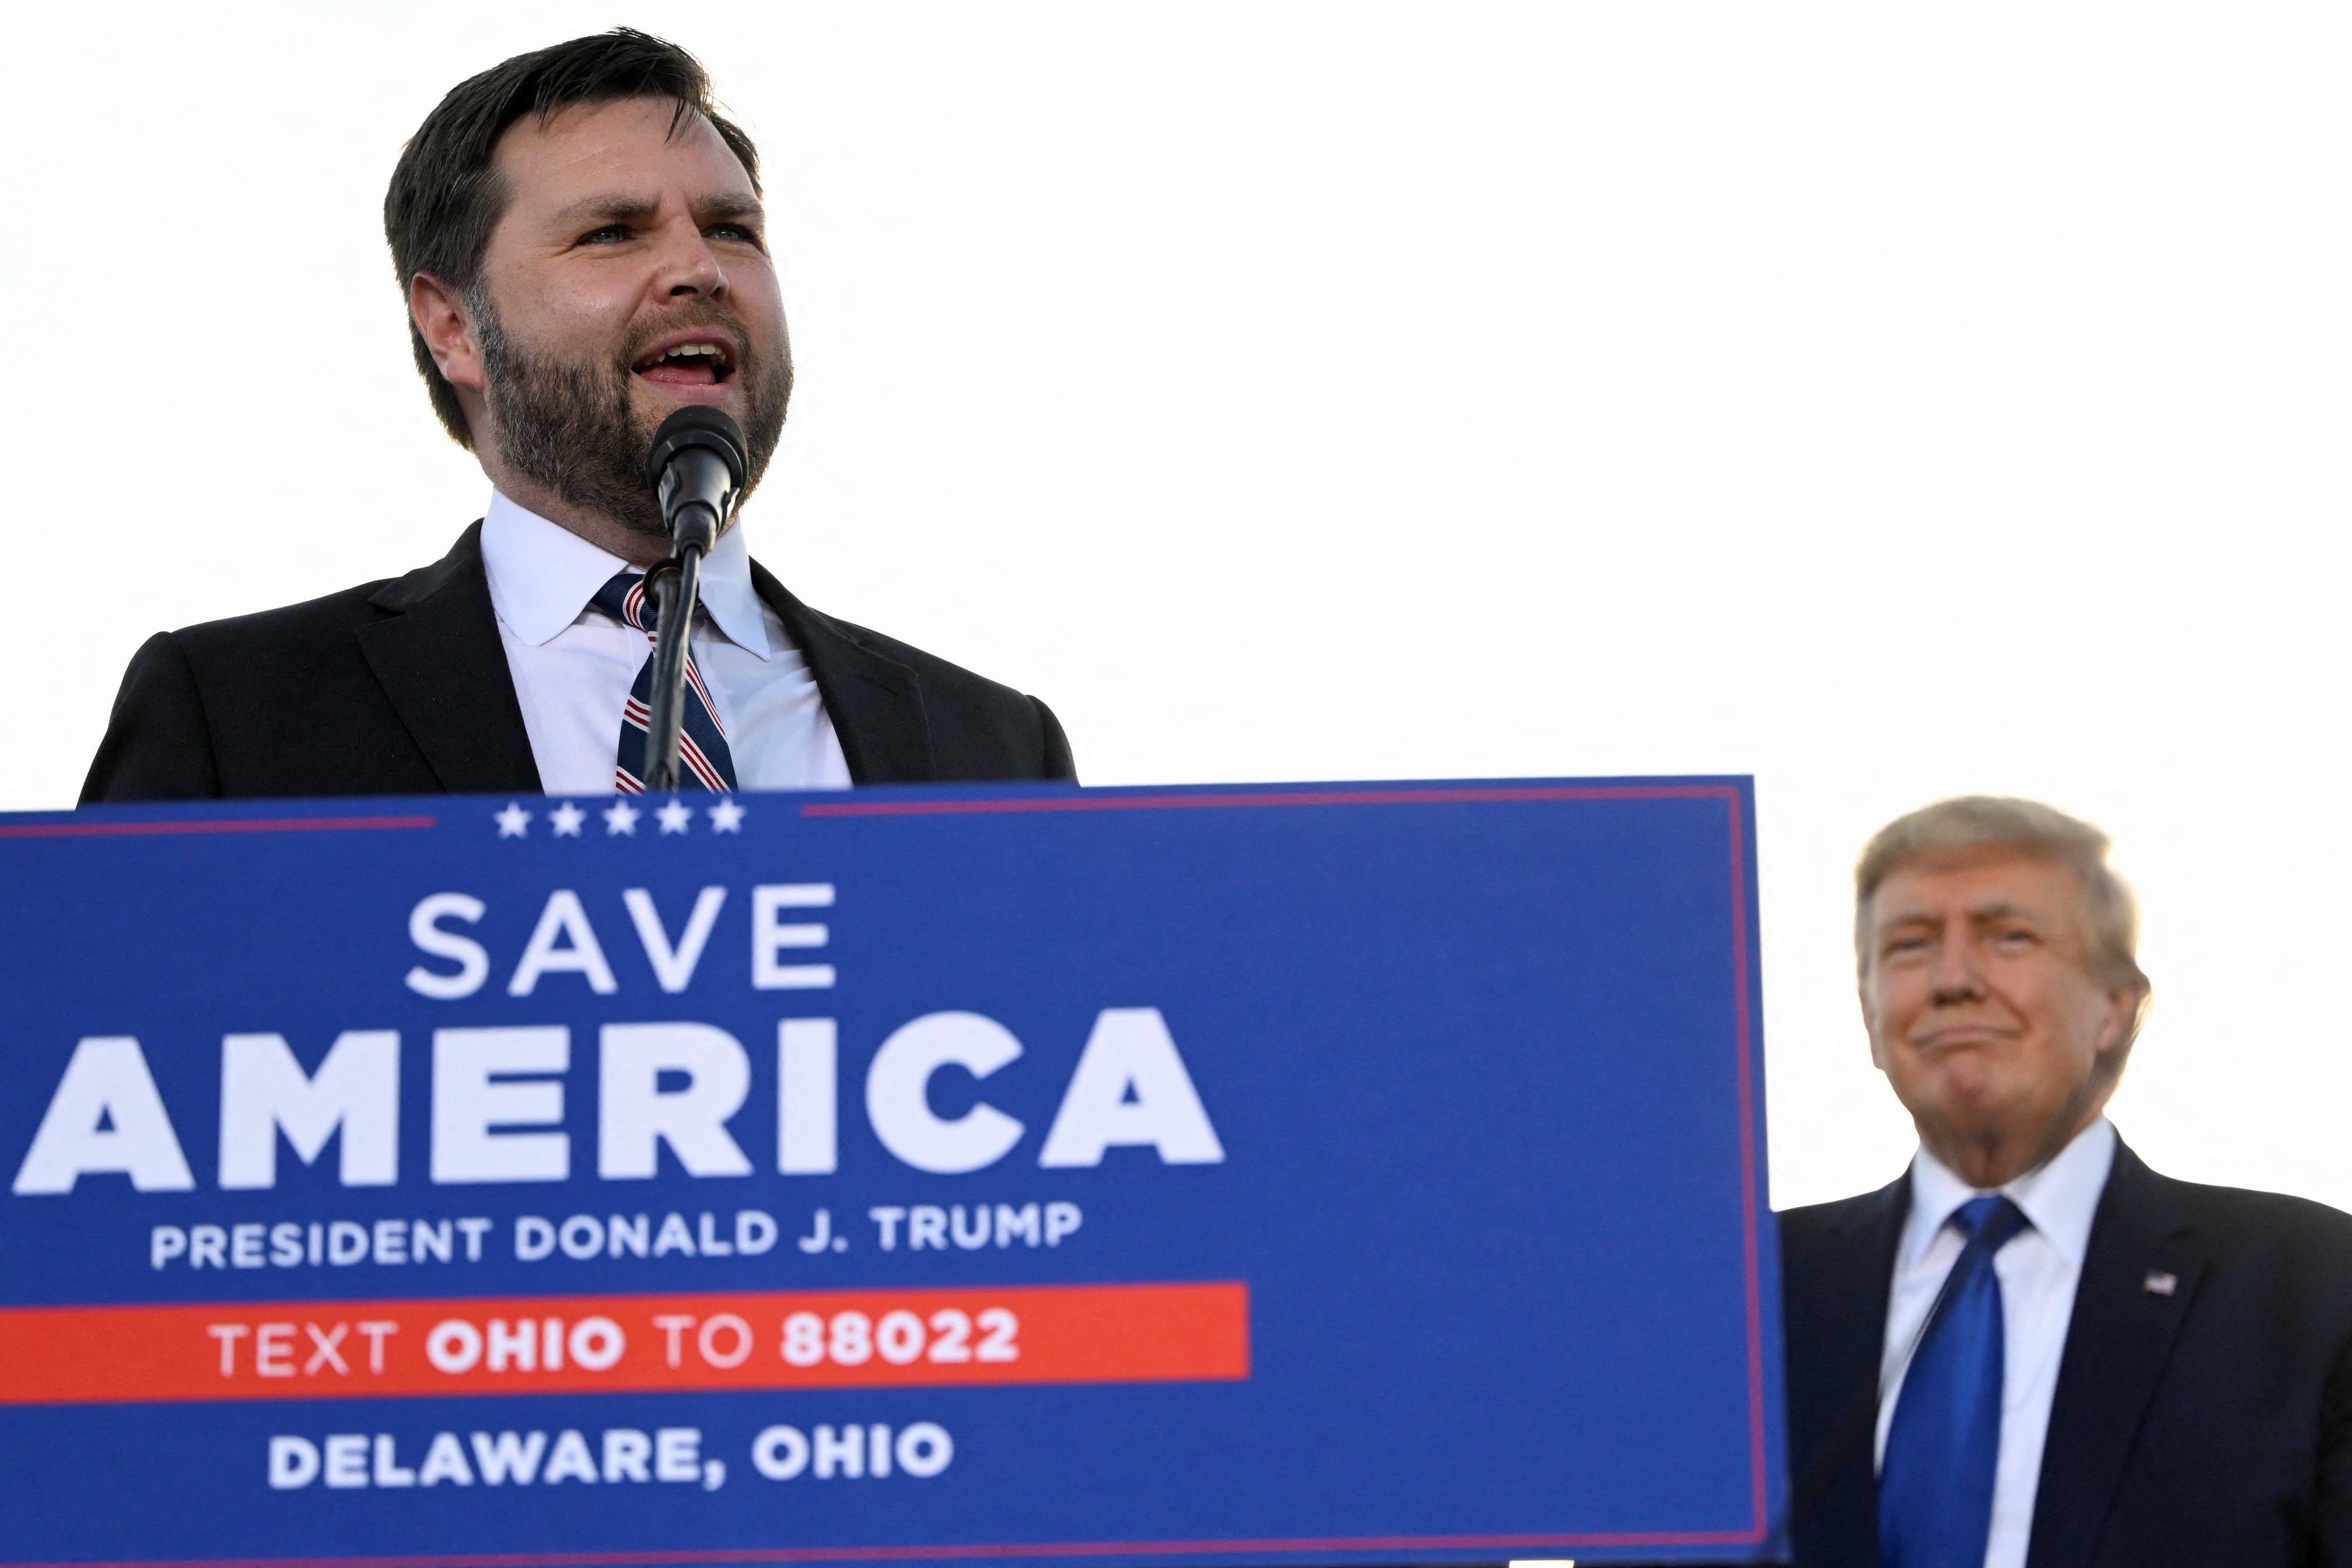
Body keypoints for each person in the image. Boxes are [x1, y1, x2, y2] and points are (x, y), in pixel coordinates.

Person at [81, 30, 1073, 804]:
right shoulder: (234, 714)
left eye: (732, 228)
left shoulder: (994, 747)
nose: (700, 268)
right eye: (611, 232)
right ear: (454, 327)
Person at [1781, 796, 2352, 1566]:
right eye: (1910, 946)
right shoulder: (1747, 1297)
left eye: (2007, 937)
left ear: (2116, 1009)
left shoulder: (2310, 1286)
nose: (1952, 979)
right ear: (1870, 1019)